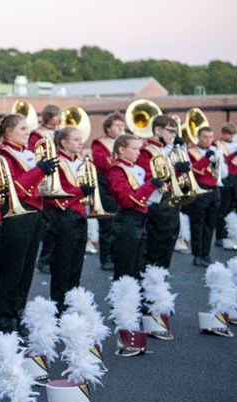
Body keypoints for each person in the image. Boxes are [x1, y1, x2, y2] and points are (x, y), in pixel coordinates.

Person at [0, 114, 58, 334]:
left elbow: (36, 186)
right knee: (11, 271)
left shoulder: (29, 154)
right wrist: (40, 170)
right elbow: (15, 188)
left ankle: (18, 315)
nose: (28, 132)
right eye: (22, 128)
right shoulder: (1, 155)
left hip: (34, 214)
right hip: (15, 217)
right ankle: (5, 322)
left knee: (26, 272)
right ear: (9, 132)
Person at [44, 127, 93, 310]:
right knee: (62, 265)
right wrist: (81, 191)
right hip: (63, 216)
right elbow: (52, 193)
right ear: (64, 142)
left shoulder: (80, 161)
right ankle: (59, 308)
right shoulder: (56, 162)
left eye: (81, 139)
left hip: (80, 215)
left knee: (76, 265)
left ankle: (72, 305)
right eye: (76, 140)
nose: (81, 143)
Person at [107, 134, 161, 280]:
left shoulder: (136, 169)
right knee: (125, 269)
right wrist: (151, 185)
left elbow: (149, 197)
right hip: (127, 221)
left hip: (140, 219)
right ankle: (124, 301)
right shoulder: (116, 170)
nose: (139, 152)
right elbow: (128, 200)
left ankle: (134, 300)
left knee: (138, 267)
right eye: (135, 148)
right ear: (122, 150)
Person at [136, 115, 183, 270]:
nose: (173, 135)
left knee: (169, 241)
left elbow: (170, 177)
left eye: (175, 131)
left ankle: (159, 282)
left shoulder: (166, 150)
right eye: (170, 131)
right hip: (156, 202)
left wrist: (180, 169)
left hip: (169, 200)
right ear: (158, 130)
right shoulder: (145, 152)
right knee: (156, 247)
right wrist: (176, 170)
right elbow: (150, 178)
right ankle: (150, 285)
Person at [90, 112, 126, 270]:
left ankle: (118, 255)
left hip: (121, 183)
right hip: (106, 185)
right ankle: (106, 258)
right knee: (107, 224)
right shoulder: (100, 143)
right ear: (108, 128)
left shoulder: (126, 142)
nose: (121, 129)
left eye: (123, 126)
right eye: (118, 126)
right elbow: (103, 163)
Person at [182, 126, 222, 267]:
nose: (209, 140)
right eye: (205, 137)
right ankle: (197, 254)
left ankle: (206, 253)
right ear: (198, 137)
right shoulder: (191, 152)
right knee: (197, 223)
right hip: (200, 189)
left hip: (214, 188)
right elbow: (193, 171)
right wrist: (206, 158)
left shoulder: (215, 150)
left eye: (211, 137)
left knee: (210, 224)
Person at [31, 104, 61, 272]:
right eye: (57, 115)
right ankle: (44, 260)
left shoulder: (58, 132)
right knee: (49, 224)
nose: (59, 119)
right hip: (45, 177)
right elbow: (35, 154)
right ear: (49, 116)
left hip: (58, 175)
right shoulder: (38, 134)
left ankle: (51, 259)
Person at [215, 123, 237, 249]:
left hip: (235, 178)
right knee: (224, 208)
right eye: (229, 134)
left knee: (233, 206)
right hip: (225, 178)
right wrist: (234, 154)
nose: (231, 136)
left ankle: (232, 234)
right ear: (223, 134)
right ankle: (220, 236)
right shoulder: (219, 145)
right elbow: (223, 161)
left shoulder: (234, 144)